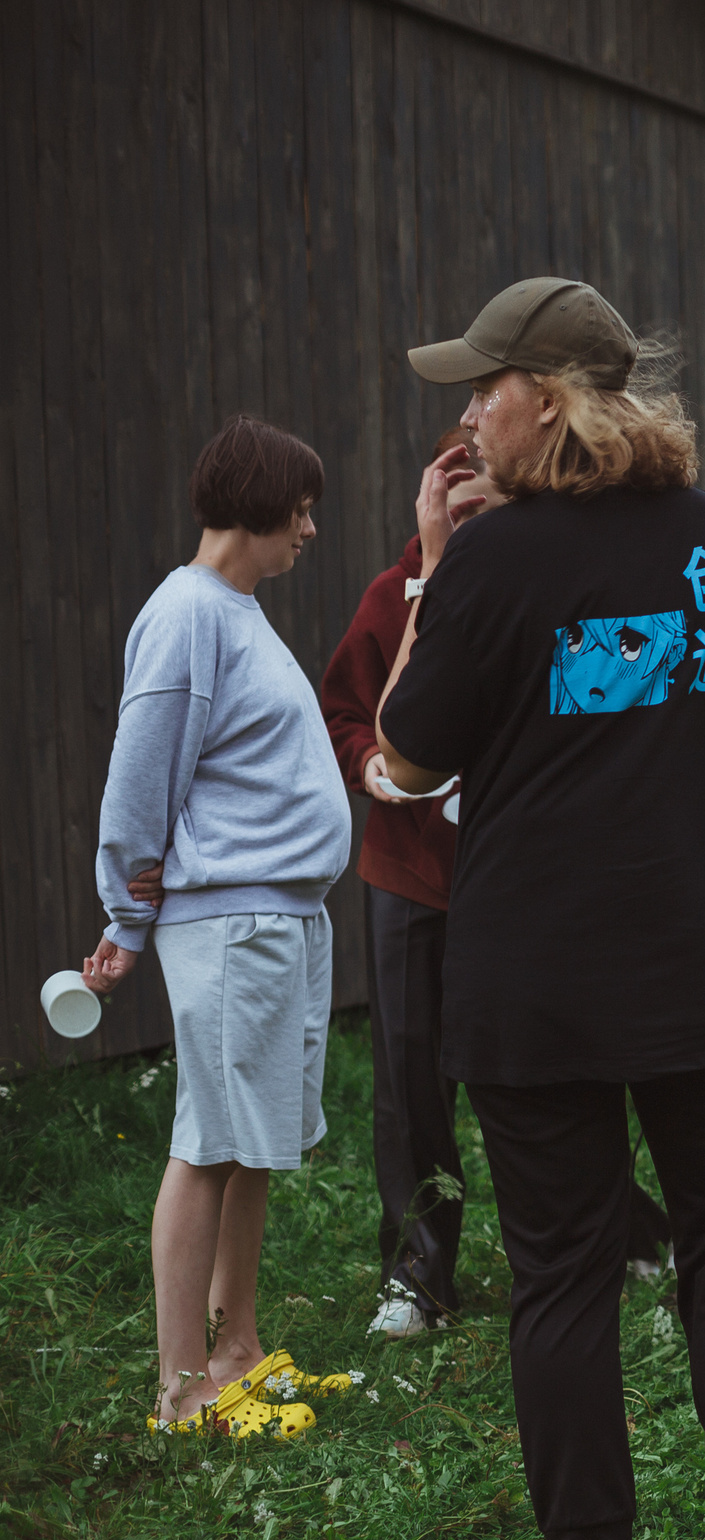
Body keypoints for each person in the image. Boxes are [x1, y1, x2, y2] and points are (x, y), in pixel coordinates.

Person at [376, 276, 705, 1540]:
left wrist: (429, 568)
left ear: (560, 398)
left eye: (487, 386)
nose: (469, 413)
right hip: (703, 954)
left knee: (564, 1273)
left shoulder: (490, 559)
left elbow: (404, 760)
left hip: (536, 977)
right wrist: (677, 810)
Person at [321, 432, 675, 1339]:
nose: (477, 518)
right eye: (458, 502)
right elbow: (349, 713)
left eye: (491, 502)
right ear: (435, 504)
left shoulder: (546, 579)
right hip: (411, 874)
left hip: (526, 877)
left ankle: (630, 1229)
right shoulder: (395, 589)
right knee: (410, 1082)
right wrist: (369, 769)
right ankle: (419, 1272)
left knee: (562, 1060)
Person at [87, 416, 349, 1437]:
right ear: (257, 508)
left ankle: (238, 1350)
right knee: (206, 1144)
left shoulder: (237, 610)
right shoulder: (186, 614)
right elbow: (137, 787)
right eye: (301, 509)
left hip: (277, 918)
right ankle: (183, 1387)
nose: (310, 529)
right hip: (227, 923)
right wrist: (127, 917)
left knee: (253, 1145)